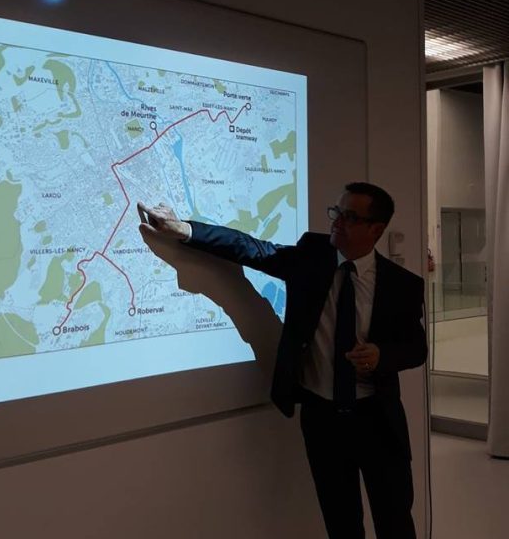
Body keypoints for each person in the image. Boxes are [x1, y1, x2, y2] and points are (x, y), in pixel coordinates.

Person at [137, 182, 427, 539]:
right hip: (323, 420)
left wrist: (382, 355)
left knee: (394, 521)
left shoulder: (402, 285)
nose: (337, 221)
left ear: (376, 230)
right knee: (341, 522)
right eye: (337, 212)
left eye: (350, 217)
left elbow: (416, 348)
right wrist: (184, 229)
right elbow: (253, 249)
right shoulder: (313, 255)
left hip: (377, 421)